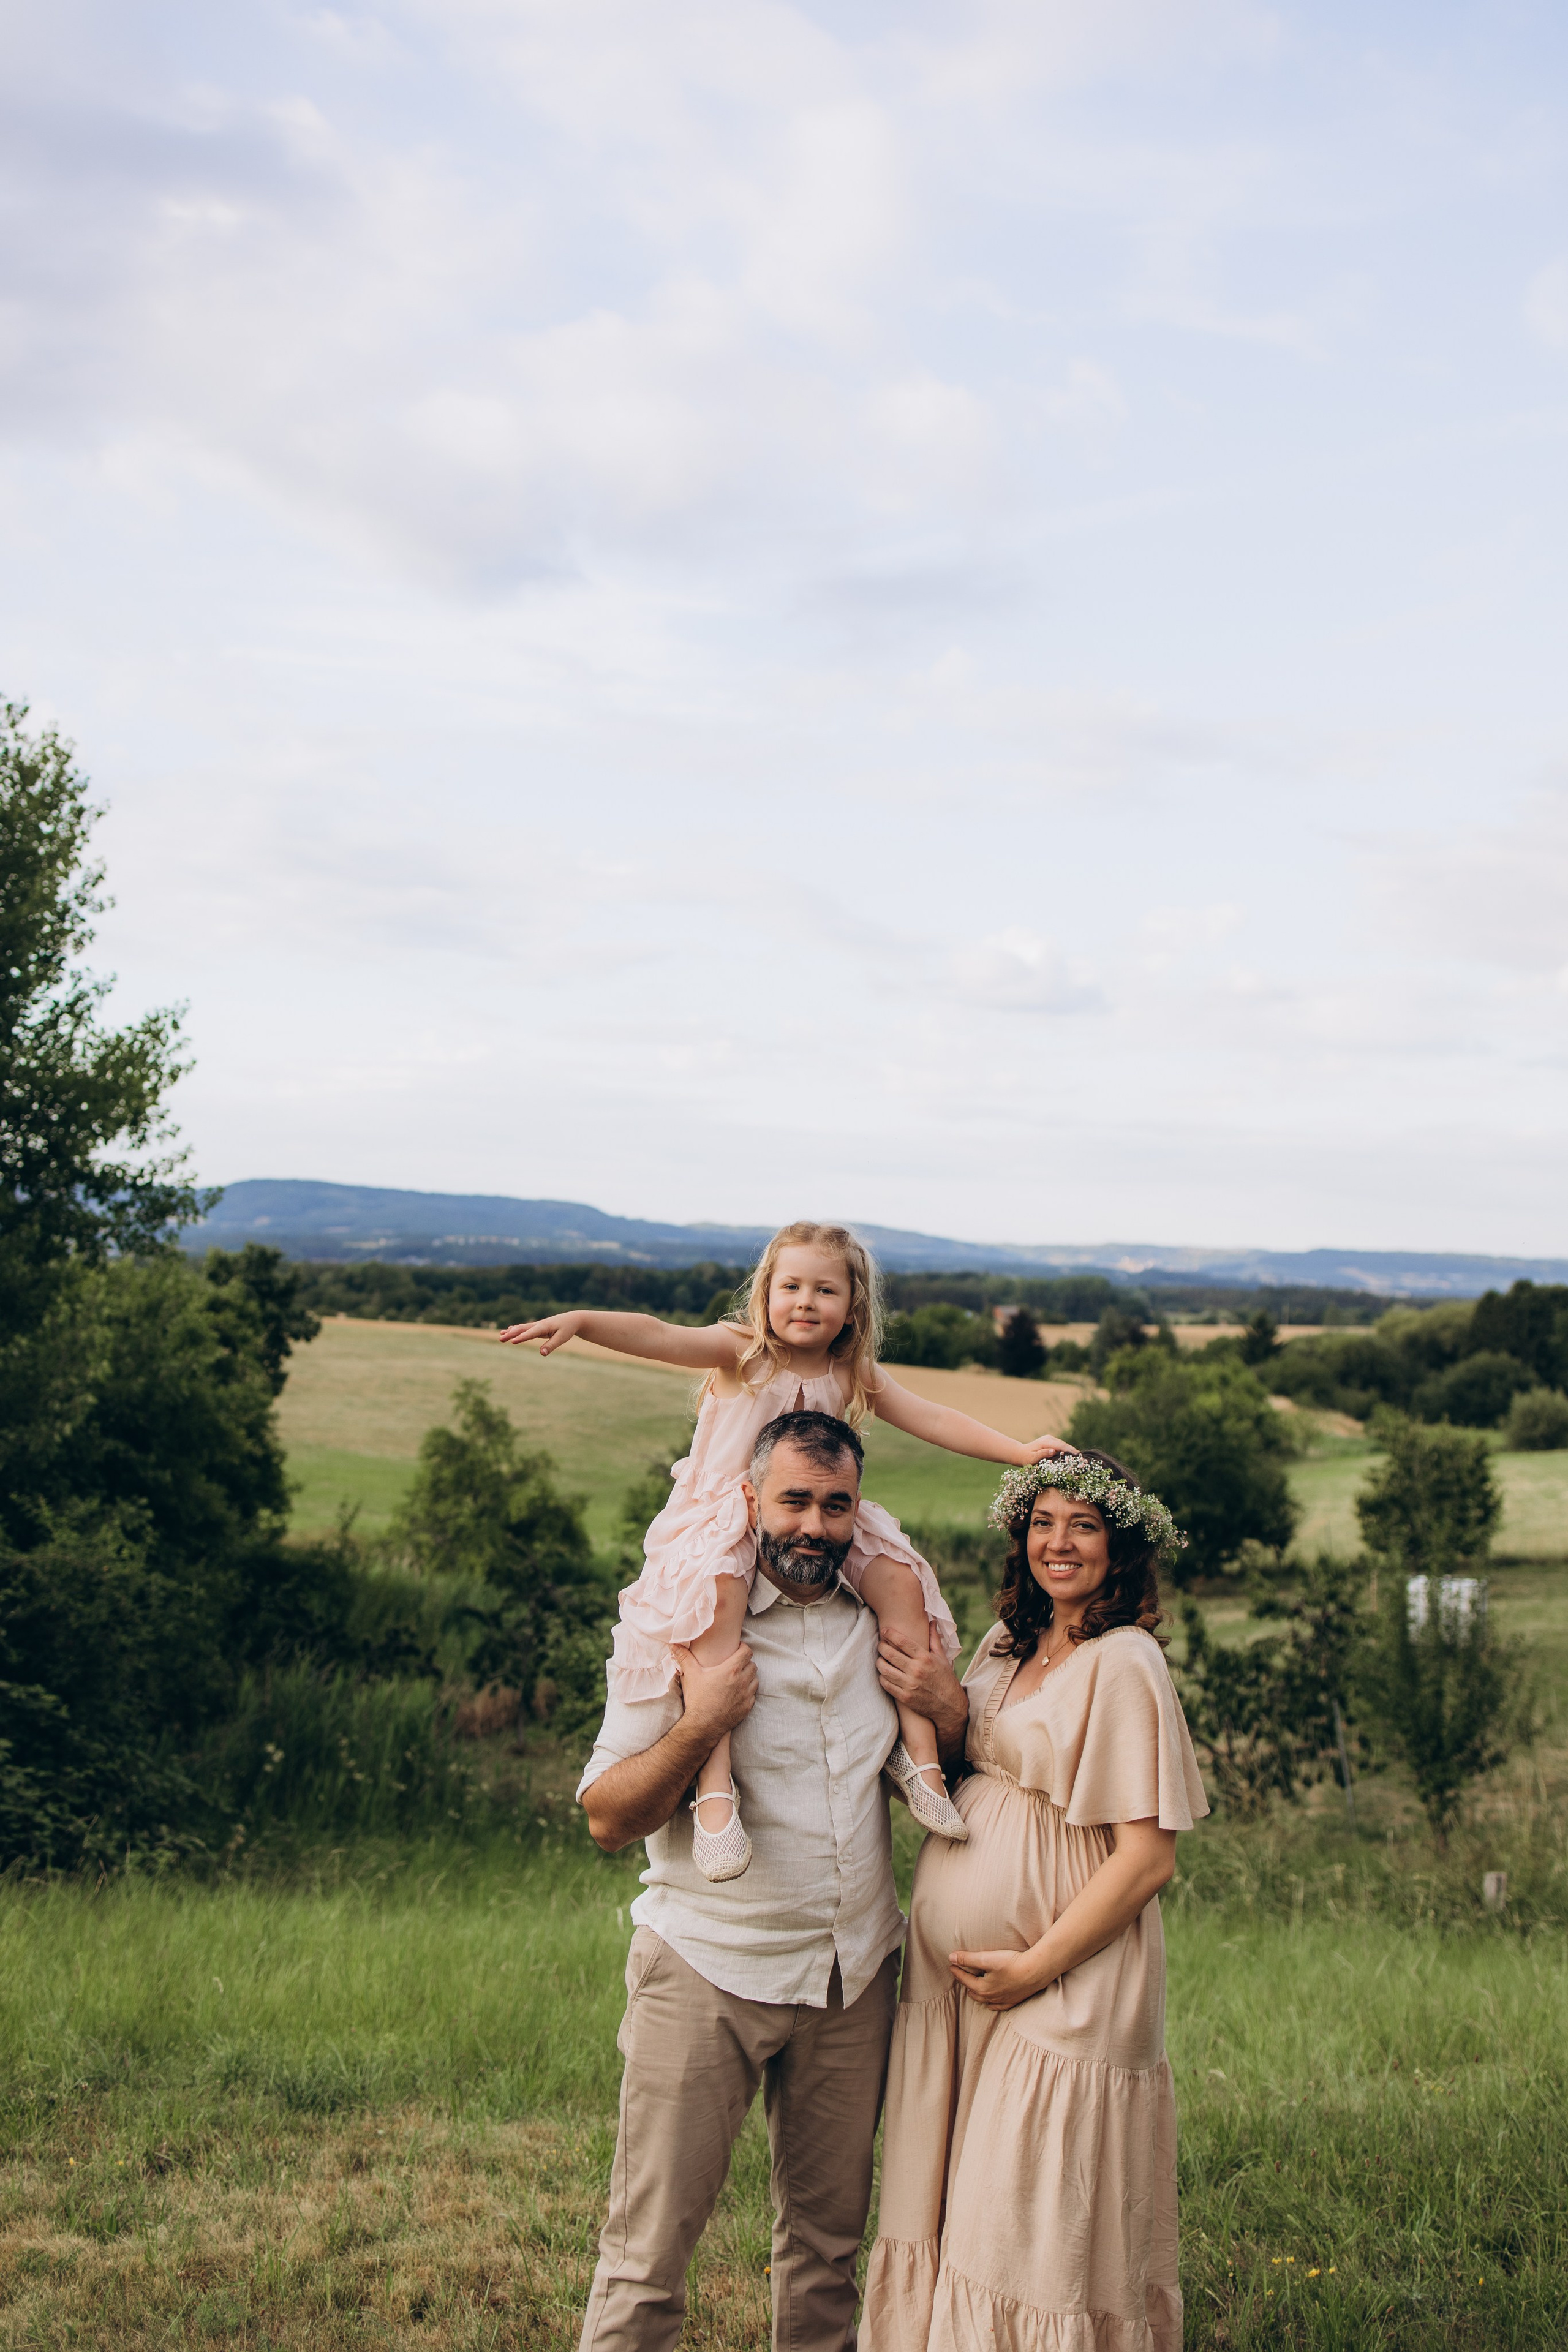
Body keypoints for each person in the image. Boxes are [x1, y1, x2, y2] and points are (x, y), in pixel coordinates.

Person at [575, 1408, 970, 2352]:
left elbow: (960, 1763)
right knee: (648, 2257)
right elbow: (605, 1814)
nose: (815, 1526)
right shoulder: (687, 1624)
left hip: (854, 1979)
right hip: (708, 1971)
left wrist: (942, 1705)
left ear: (858, 1510)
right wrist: (702, 1722)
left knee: (828, 2254)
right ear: (751, 1500)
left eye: (837, 1506)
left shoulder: (884, 1619)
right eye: (794, 1500)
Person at [502, 1221, 1063, 1879]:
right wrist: (582, 1321)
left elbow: (932, 1417)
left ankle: (920, 1761)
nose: (805, 1302)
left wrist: (1018, 1452)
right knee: (717, 1610)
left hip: (813, 1518)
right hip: (723, 1519)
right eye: (790, 1286)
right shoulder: (742, 1354)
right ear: (765, 1295)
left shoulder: (850, 1370)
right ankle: (715, 1794)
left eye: (824, 1290)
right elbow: (658, 1333)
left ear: (851, 1306)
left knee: (899, 1582)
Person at [861, 1449, 1209, 2352]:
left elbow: (1145, 1862)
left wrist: (1034, 1967)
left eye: (1083, 1526)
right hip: (965, 1996)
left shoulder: (1125, 1662)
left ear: (1120, 1545)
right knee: (960, 2215)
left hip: (1066, 1987)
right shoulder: (1007, 1644)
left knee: (1024, 2239)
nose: (1059, 1543)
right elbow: (970, 1761)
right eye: (1043, 1522)